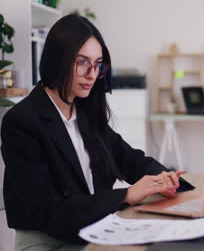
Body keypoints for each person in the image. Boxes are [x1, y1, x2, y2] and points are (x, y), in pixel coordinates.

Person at [1, 14, 194, 250]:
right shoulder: (22, 121)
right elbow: (47, 210)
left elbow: (130, 159)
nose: (92, 74)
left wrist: (166, 179)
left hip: (93, 228)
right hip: (48, 239)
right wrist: (126, 195)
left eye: (97, 64)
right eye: (82, 62)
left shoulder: (85, 111)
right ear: (58, 60)